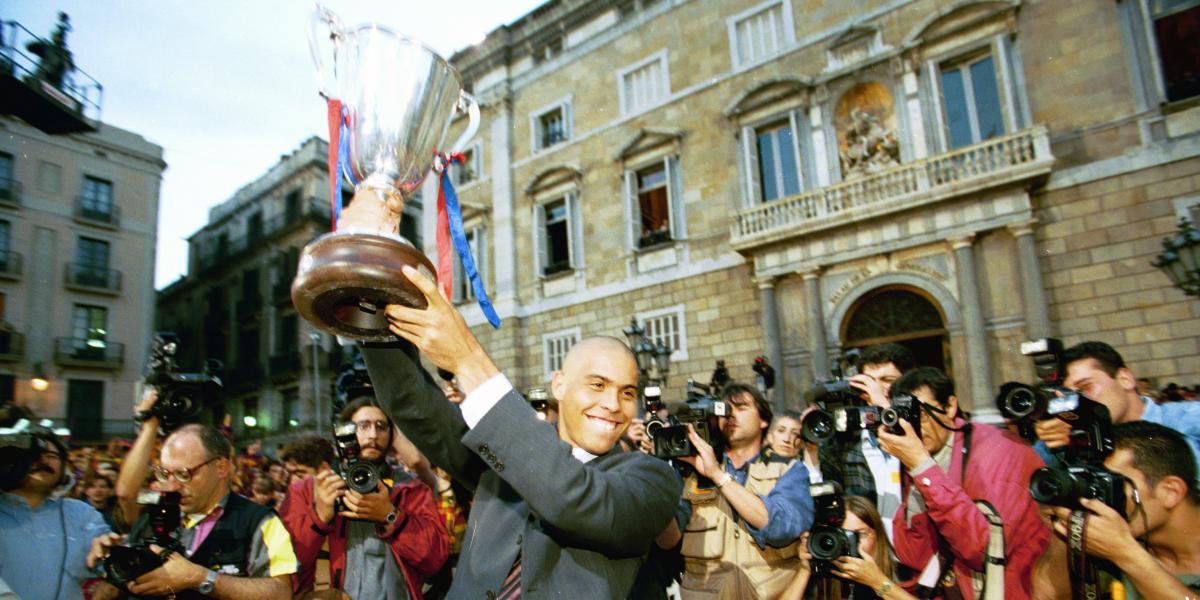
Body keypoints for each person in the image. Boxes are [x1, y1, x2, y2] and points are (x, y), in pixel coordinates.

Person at [360, 264, 682, 599]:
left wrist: (470, 361)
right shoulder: (501, 459)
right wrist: (373, 288)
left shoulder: (654, 479)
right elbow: (415, 404)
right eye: (597, 385)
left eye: (627, 392)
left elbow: (573, 498)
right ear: (559, 384)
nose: (614, 404)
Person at [879, 367, 1048, 600]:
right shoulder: (926, 456)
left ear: (950, 406)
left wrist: (922, 468)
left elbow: (981, 550)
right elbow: (913, 555)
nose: (917, 425)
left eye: (924, 414)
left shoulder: (998, 451)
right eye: (909, 415)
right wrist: (917, 470)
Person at [87, 424, 298, 598]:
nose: (172, 486)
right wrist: (113, 559)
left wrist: (201, 578)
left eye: (183, 474)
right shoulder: (154, 514)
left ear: (221, 468)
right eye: (165, 474)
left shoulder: (260, 520)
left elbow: (280, 592)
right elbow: (125, 495)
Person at [278, 397, 448, 599]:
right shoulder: (308, 489)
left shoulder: (409, 489)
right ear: (344, 434)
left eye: (381, 426)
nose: (373, 435)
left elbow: (434, 560)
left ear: (391, 435)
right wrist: (320, 515)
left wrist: (390, 516)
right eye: (363, 426)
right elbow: (285, 564)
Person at [663, 381, 814, 599]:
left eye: (741, 407)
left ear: (763, 420)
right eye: (724, 409)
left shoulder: (788, 469)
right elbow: (669, 540)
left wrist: (718, 476)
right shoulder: (690, 472)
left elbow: (781, 527)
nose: (730, 415)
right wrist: (657, 478)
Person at [1033, 422, 1200, 599]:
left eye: (1112, 484)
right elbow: (1046, 596)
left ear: (1170, 492)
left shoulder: (1120, 546)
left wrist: (1126, 555)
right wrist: (1067, 531)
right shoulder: (1110, 539)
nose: (1098, 495)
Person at [1034, 341, 1200, 472]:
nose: (1078, 401)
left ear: (1125, 379)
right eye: (1070, 395)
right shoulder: (1074, 437)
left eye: (1085, 387)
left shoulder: (1189, 419)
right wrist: (1058, 446)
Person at [0, 424, 112, 600]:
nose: (43, 462)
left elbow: (107, 562)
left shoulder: (81, 514)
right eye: (33, 455)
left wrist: (109, 552)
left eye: (51, 456)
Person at [782, 496, 918, 600]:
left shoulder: (902, 575)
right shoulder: (823, 577)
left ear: (878, 534)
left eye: (860, 535)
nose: (850, 543)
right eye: (842, 536)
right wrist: (805, 570)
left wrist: (878, 582)